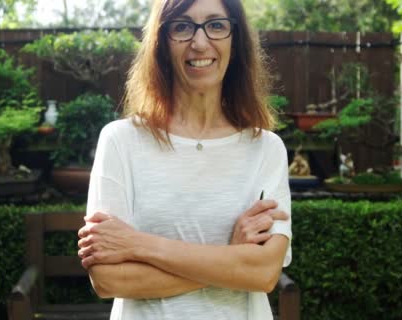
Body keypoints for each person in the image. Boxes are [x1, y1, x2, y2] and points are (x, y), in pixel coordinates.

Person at [77, 0, 292, 319]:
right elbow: (108, 279)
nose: (200, 42)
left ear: (236, 40)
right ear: (162, 43)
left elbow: (263, 274)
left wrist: (137, 245)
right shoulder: (121, 141)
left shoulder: (267, 149)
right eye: (182, 26)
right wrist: (232, 260)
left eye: (216, 25)